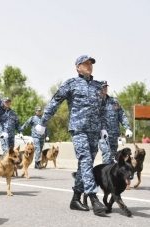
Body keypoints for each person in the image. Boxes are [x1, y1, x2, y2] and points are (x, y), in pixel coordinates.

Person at [35, 55, 108, 216]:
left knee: (84, 165)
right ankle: (93, 197)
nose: (89, 66)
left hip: (94, 131)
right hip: (79, 129)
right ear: (77, 67)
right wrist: (43, 122)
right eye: (85, 63)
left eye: (91, 63)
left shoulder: (98, 86)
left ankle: (75, 198)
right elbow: (55, 102)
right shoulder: (71, 84)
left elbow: (102, 109)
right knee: (86, 160)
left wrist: (103, 128)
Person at [98, 80, 132, 164]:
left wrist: (127, 128)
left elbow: (122, 115)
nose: (105, 89)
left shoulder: (114, 101)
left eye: (106, 87)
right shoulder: (96, 102)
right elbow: (93, 117)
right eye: (103, 87)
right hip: (102, 135)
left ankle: (110, 175)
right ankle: (105, 175)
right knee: (107, 153)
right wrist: (100, 129)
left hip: (114, 134)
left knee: (113, 156)